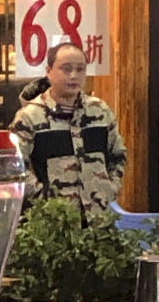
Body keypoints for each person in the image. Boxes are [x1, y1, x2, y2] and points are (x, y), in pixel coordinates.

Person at [10, 42, 126, 217]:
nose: (74, 76)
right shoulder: (29, 118)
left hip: (98, 223)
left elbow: (118, 156)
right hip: (51, 226)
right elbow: (14, 168)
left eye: (80, 69)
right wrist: (44, 200)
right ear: (48, 71)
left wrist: (109, 189)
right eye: (66, 69)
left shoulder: (100, 112)